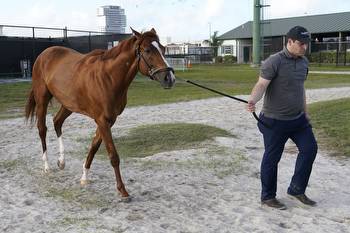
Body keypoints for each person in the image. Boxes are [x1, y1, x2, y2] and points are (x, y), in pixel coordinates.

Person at [247, 26, 318, 210]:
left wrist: (305, 111)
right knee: (272, 158)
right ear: (289, 42)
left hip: (298, 120)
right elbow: (261, 84)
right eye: (301, 44)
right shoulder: (274, 61)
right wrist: (253, 99)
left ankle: (296, 189)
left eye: (306, 44)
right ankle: (268, 197)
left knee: (310, 149)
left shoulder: (304, 63)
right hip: (274, 121)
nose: (305, 48)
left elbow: (300, 88)